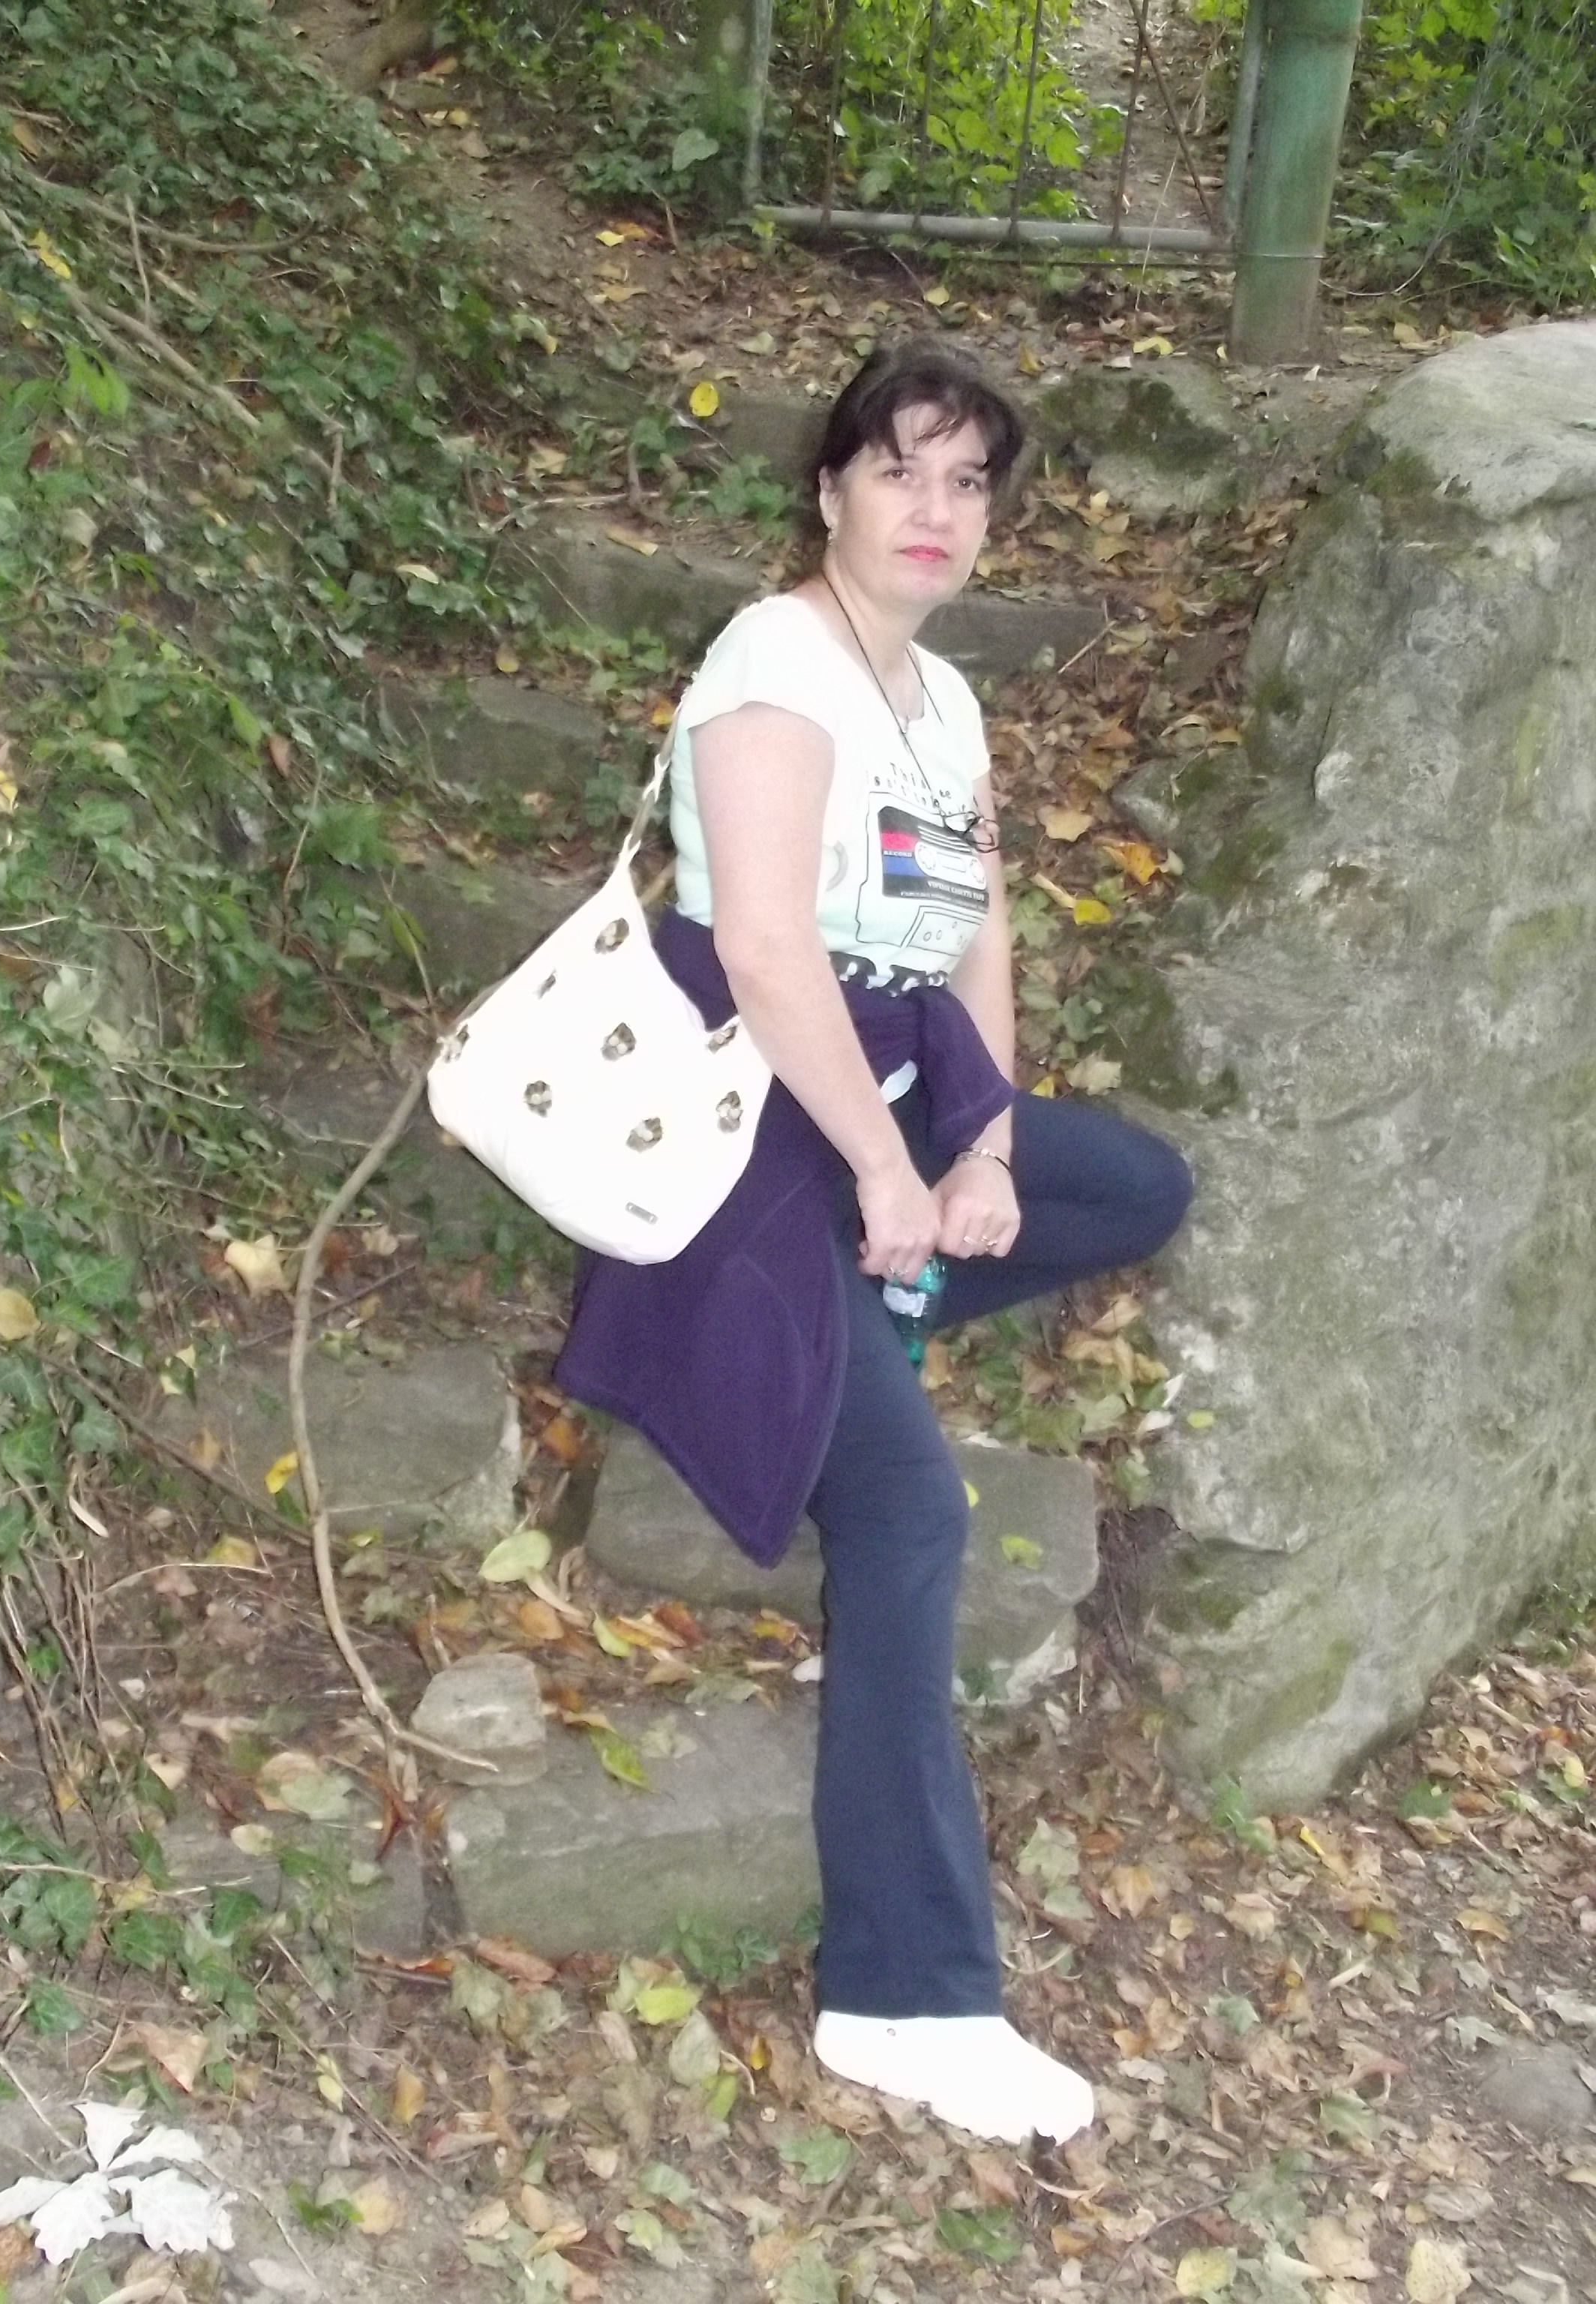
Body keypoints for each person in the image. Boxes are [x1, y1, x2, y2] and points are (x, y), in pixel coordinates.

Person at [556, 342, 1192, 2147]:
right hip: (740, 1128)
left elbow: (978, 934)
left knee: (1130, 1185)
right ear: (829, 489)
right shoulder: (773, 665)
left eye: (970, 482)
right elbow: (766, 954)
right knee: (912, 1514)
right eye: (902, 470)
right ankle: (907, 1998)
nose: (936, 509)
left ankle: (837, 1316)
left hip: (891, 1097)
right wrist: (887, 1176)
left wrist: (979, 1141)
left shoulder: (948, 700)